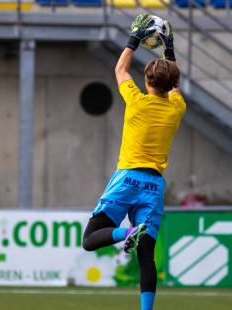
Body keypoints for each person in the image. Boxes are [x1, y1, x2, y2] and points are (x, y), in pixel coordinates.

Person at [82, 14, 185, 310]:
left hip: (127, 178)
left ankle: (126, 233)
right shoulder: (176, 109)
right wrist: (169, 49)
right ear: (171, 84)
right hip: (154, 186)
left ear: (148, 81)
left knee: (90, 239)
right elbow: (174, 81)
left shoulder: (136, 100)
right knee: (147, 258)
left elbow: (120, 68)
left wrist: (135, 39)